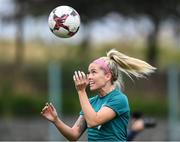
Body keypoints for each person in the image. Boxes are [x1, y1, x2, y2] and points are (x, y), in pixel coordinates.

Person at [41, 49, 156, 141]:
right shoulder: (90, 102)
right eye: (88, 72)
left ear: (107, 76)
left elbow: (93, 121)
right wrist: (56, 120)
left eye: (93, 72)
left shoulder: (119, 99)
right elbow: (74, 135)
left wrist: (81, 91)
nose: (89, 76)